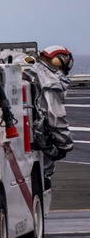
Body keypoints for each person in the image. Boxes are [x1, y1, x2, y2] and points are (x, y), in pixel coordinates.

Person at [24, 45, 75, 186]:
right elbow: (54, 117)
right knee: (43, 176)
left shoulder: (31, 69)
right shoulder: (49, 80)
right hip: (33, 140)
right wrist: (65, 143)